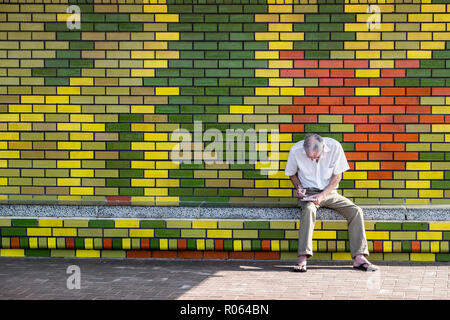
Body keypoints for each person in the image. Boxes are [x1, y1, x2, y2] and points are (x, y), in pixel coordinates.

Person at [284, 133, 378, 272]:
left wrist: (322, 196)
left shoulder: (334, 147)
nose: (313, 159)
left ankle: (359, 258)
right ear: (304, 149)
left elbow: (337, 176)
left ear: (323, 147)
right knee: (309, 210)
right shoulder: (295, 150)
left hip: (330, 191)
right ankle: (302, 257)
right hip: (308, 192)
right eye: (310, 157)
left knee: (356, 211)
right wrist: (299, 188)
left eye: (316, 156)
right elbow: (292, 174)